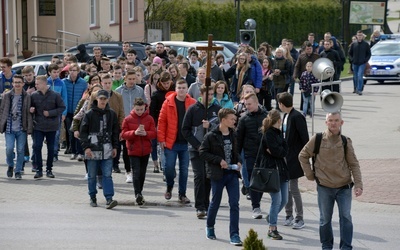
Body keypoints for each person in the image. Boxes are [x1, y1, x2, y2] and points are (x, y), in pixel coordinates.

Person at [298, 112, 363, 250]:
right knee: (325, 220)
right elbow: (303, 155)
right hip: (324, 187)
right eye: (330, 120)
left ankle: (346, 247)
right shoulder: (318, 139)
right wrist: (309, 174)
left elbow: (354, 164)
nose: (333, 123)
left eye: (336, 120)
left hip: (344, 187)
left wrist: (358, 184)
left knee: (346, 218)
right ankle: (326, 246)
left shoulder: (345, 141)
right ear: (326, 122)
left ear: (341, 123)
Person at [199, 108, 243, 246]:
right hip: (218, 175)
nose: (234, 121)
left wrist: (239, 161)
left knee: (234, 204)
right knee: (215, 202)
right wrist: (219, 160)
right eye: (232, 119)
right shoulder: (211, 136)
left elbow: (236, 151)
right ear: (223, 120)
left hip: (232, 174)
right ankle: (210, 227)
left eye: (234, 119)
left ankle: (234, 234)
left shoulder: (233, 134)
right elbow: (202, 152)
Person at [182, 84, 221, 218]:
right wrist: (197, 145)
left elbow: (222, 128)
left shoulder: (217, 109)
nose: (209, 97)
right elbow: (185, 130)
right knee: (199, 176)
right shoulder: (193, 109)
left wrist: (210, 125)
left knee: (208, 177)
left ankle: (206, 203)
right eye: (207, 95)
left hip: (211, 150)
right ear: (201, 94)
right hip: (196, 149)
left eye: (211, 95)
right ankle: (200, 207)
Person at [157, 79, 196, 203]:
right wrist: (161, 139)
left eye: (184, 88)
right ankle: (169, 186)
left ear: (187, 89)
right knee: (168, 168)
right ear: (176, 89)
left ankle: (182, 194)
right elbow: (161, 121)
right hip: (171, 142)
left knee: (184, 170)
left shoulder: (192, 103)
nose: (181, 90)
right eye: (179, 88)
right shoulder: (168, 102)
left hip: (186, 143)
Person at [79, 89, 119, 209]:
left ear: (107, 100)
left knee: (107, 175)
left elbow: (115, 132)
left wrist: (115, 147)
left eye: (104, 99)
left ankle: (109, 198)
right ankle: (92, 196)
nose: (102, 101)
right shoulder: (89, 114)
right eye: (100, 99)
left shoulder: (111, 114)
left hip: (107, 149)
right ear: (97, 99)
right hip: (92, 149)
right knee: (92, 175)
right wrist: (86, 148)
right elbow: (83, 132)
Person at [277, 92, 309, 229]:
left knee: (293, 188)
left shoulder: (297, 117)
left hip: (294, 158)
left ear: (282, 104)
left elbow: (305, 138)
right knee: (286, 188)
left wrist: (304, 156)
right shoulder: (286, 116)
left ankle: (299, 217)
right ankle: (288, 215)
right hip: (285, 157)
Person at [236, 93, 268, 219]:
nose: (247, 106)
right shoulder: (244, 119)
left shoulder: (266, 117)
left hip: (264, 155)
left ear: (256, 103)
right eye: (245, 104)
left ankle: (257, 202)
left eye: (249, 104)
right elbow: (238, 139)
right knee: (252, 180)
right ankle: (256, 206)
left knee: (261, 181)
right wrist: (238, 157)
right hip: (249, 154)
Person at [259, 109, 289, 240]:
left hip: (281, 170)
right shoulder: (269, 134)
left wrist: (279, 150)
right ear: (279, 121)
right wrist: (279, 150)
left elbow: (284, 150)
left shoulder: (278, 133)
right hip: (272, 171)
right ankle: (272, 228)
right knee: (276, 200)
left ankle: (271, 217)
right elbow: (278, 151)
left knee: (284, 200)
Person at [121, 97, 156, 205]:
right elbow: (123, 134)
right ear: (134, 108)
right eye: (138, 109)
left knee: (142, 173)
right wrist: (134, 133)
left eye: (141, 109)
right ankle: (138, 194)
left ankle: (140, 192)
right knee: (136, 172)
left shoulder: (149, 119)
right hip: (133, 150)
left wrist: (146, 134)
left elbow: (154, 133)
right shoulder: (128, 119)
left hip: (145, 150)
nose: (140, 112)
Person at [30, 75, 66, 179]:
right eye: (35, 84)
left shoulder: (55, 95)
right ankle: (39, 169)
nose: (36, 86)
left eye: (37, 84)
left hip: (51, 126)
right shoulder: (34, 95)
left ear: (44, 83)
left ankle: (49, 169)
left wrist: (50, 113)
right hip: (38, 125)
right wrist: (31, 110)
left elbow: (62, 107)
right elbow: (30, 107)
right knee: (37, 147)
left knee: (51, 148)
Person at [115, 70, 147, 183]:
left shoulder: (139, 90)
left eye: (134, 79)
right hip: (124, 124)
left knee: (135, 148)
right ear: (125, 79)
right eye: (130, 79)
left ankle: (135, 171)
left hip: (137, 123)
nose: (132, 81)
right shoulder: (118, 91)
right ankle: (128, 171)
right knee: (126, 149)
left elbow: (144, 105)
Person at [0, 75, 33, 180]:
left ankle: (18, 171)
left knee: (20, 150)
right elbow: (2, 110)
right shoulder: (7, 95)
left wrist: (29, 127)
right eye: (15, 82)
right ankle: (10, 165)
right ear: (12, 84)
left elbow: (29, 113)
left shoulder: (27, 96)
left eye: (19, 82)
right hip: (9, 127)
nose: (17, 84)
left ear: (23, 84)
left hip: (21, 127)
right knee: (9, 149)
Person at [47, 63, 68, 162]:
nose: (56, 74)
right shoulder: (46, 82)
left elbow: (64, 98)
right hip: (47, 112)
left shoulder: (61, 83)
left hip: (58, 112)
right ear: (49, 73)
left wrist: (64, 112)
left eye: (57, 72)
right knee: (48, 133)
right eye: (54, 72)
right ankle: (50, 151)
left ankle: (54, 153)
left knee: (56, 133)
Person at [348, 30, 371, 96]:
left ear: (362, 36)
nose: (359, 37)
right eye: (358, 35)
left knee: (360, 76)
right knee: (355, 76)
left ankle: (359, 89)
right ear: (356, 36)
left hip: (362, 63)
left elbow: (368, 54)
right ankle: (355, 88)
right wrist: (352, 59)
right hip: (355, 62)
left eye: (360, 35)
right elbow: (349, 53)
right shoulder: (353, 44)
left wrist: (365, 60)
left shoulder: (365, 44)